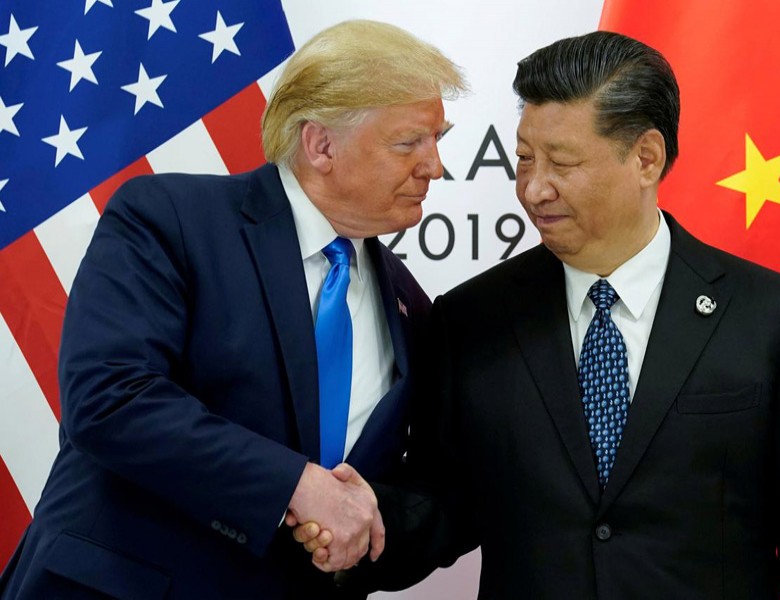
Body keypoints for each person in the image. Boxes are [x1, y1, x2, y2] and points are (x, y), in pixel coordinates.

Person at [300, 29, 780, 599]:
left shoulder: (775, 319)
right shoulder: (471, 320)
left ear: (646, 158)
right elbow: (443, 505)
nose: (534, 189)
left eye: (562, 163)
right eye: (524, 159)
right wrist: (363, 522)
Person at [0, 19, 465, 599]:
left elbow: (427, 487)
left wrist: (366, 517)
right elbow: (109, 396)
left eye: (437, 140)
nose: (435, 167)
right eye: (409, 143)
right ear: (321, 145)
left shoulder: (410, 307)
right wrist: (296, 486)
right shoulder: (169, 218)